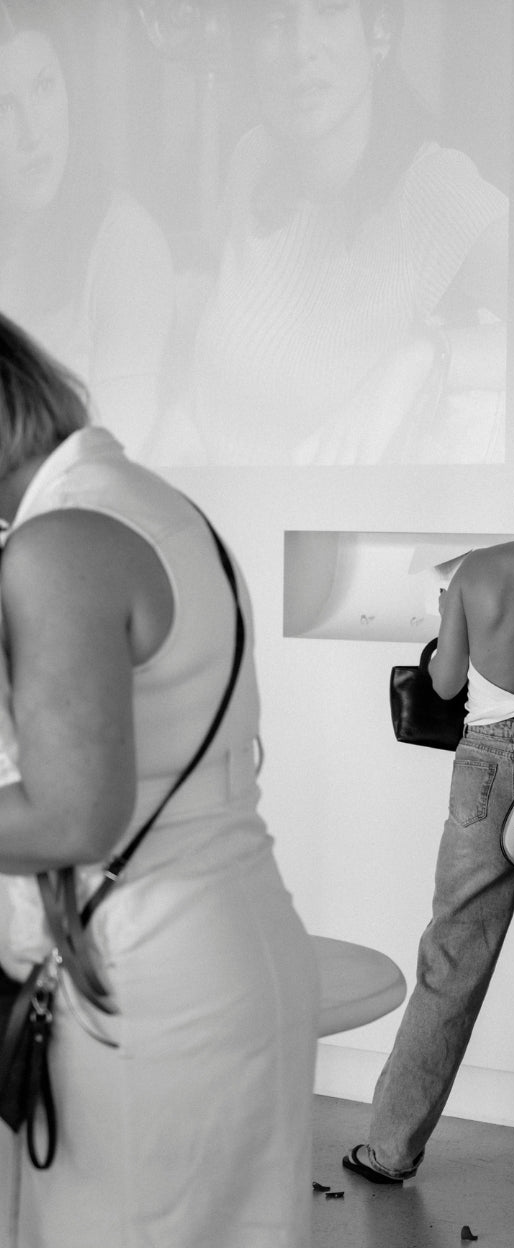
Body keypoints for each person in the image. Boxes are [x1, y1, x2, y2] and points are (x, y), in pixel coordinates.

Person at [0, 310, 319, 1246]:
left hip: (151, 988)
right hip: (215, 947)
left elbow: (73, 815)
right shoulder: (136, 503)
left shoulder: (60, 543)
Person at [342, 431, 514, 1190]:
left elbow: (442, 684)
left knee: (449, 960)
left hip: (479, 767)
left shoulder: (475, 568)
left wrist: (447, 623)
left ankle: (390, 1148)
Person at [185, 0, 508, 465]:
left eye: (332, 6)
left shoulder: (431, 190)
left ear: (378, 28)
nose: (301, 48)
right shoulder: (252, 159)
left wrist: (426, 358)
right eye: (273, 19)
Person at [0, 0, 175, 460]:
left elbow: (115, 460)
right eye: (3, 106)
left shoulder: (125, 243)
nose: (33, 133)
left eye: (44, 87)